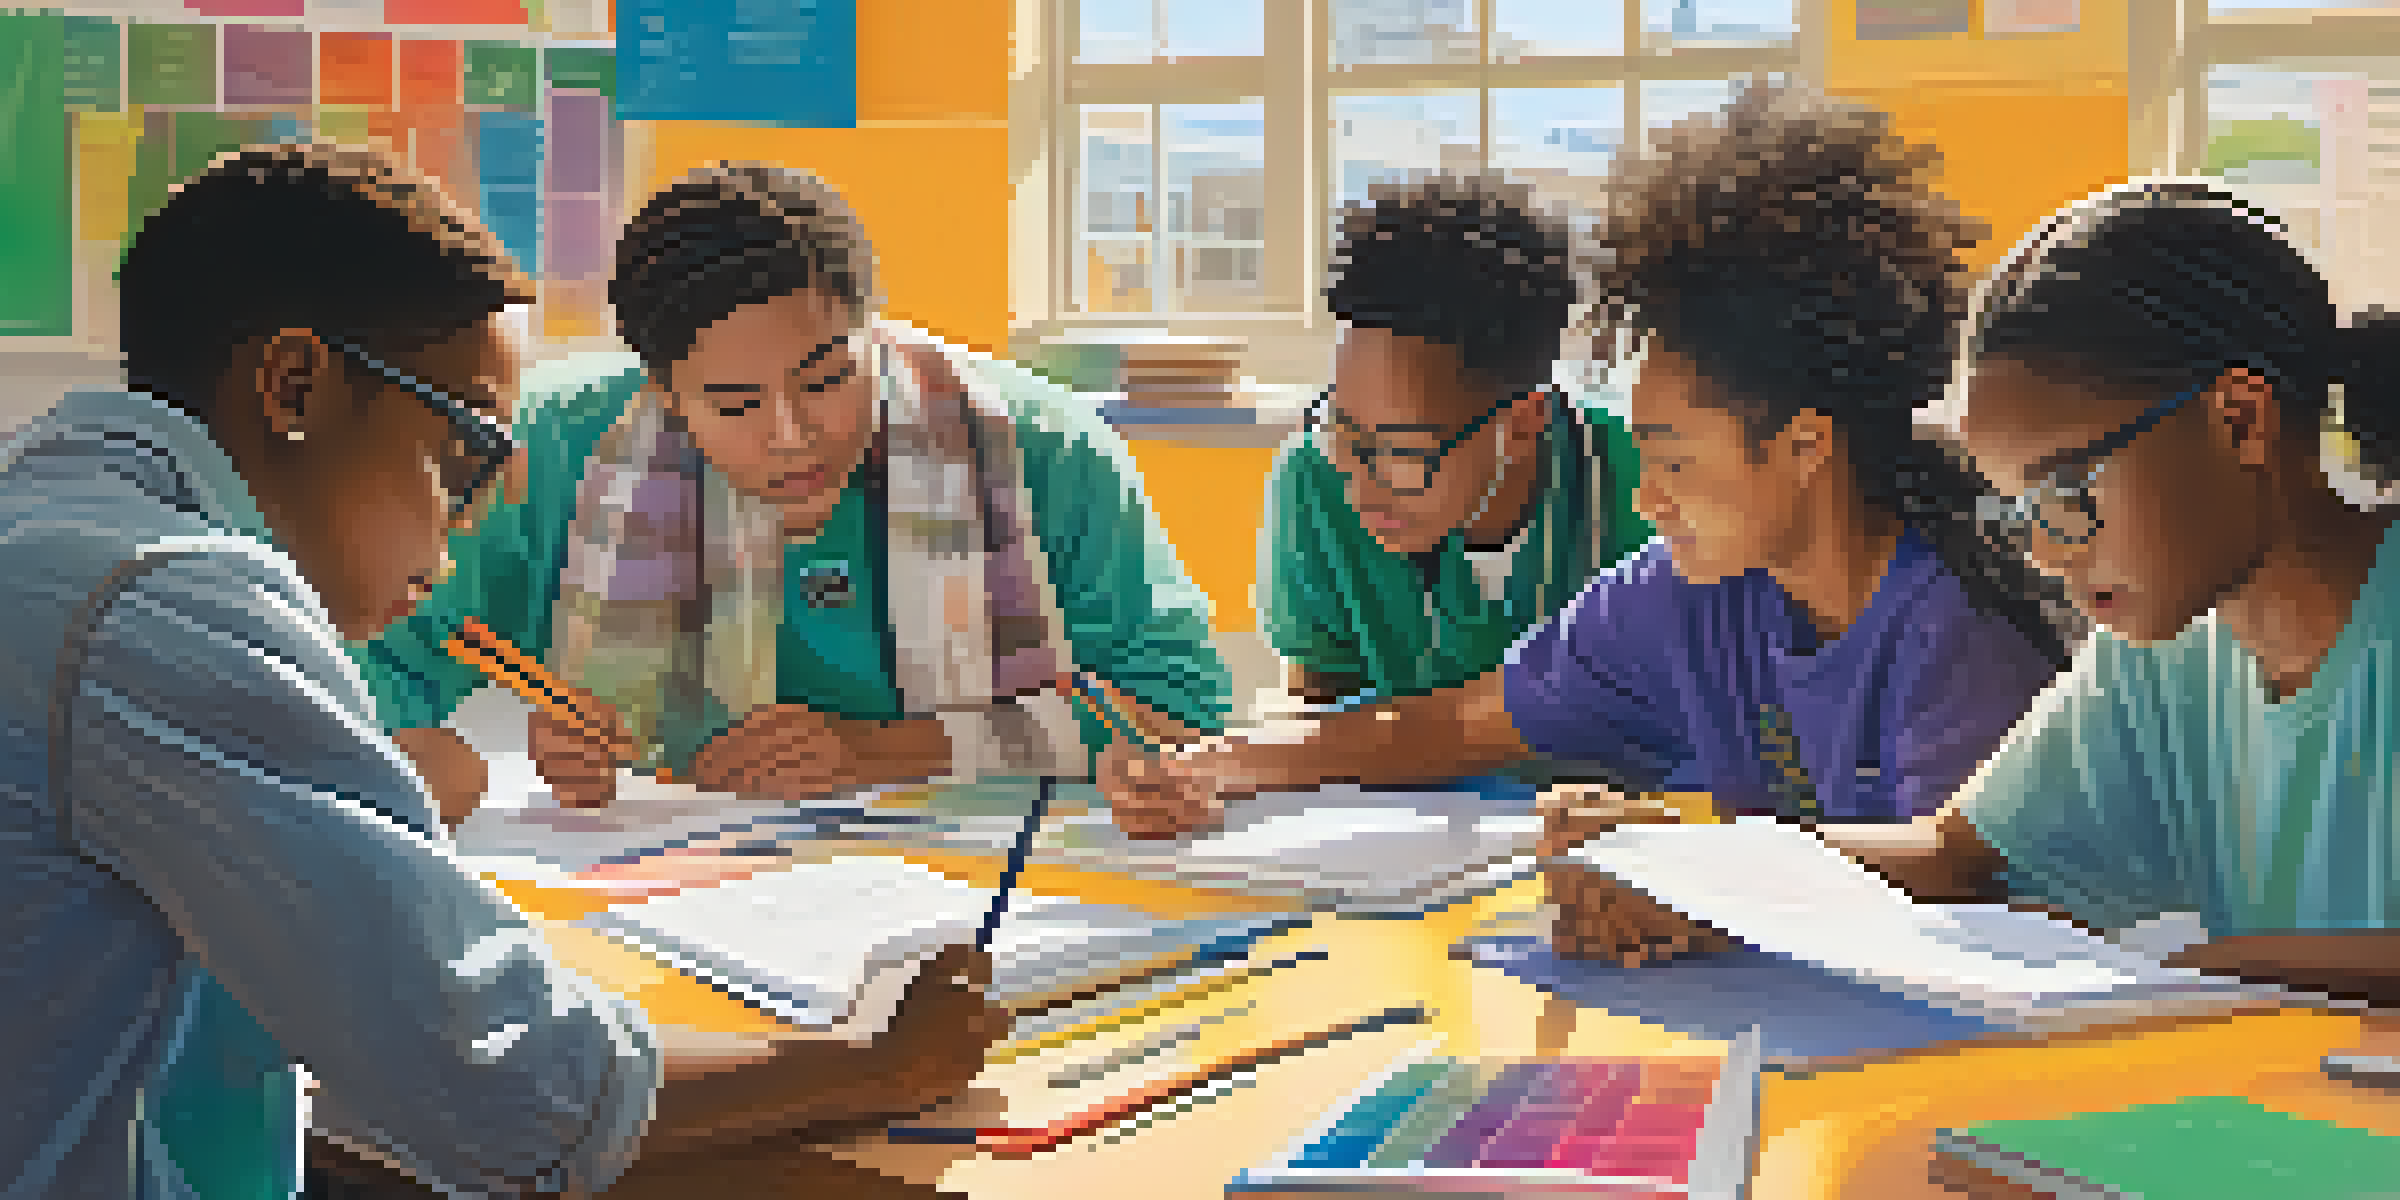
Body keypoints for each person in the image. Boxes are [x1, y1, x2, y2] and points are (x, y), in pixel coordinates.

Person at [3, 143, 996, 1200]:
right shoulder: (175, 603)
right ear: (294, 386)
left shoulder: (52, 517)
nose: (472, 520)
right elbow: (505, 1088)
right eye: (464, 454)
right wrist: (872, 1065)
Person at [1101, 83, 2072, 934]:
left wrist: (1693, 875)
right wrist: (1218, 765)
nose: (1649, 500)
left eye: (1674, 461)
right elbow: (1456, 724)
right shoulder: (1691, 590)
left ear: (1805, 444)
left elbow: (1961, 882)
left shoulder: (1955, 620)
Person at [1564, 179, 2400, 1008]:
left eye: (2066, 492)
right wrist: (1705, 874)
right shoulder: (2165, 651)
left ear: (2240, 422)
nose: (2040, 551)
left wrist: (2211, 968)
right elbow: (1959, 857)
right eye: (2017, 512)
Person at [359, 162, 1232, 817]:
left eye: (825, 380)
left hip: (1000, 891)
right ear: (660, 391)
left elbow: (1181, 706)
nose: (792, 435)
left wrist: (886, 753)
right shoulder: (547, 452)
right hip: (661, 894)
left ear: (872, 333)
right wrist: (517, 746)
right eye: (734, 403)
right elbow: (360, 681)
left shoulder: (1037, 447)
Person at [1256, 173, 1650, 723]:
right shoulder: (1311, 476)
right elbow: (1321, 713)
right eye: (1342, 431)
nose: (1359, 487)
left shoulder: (1643, 484)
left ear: (1520, 423)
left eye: (1403, 451)